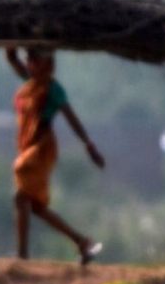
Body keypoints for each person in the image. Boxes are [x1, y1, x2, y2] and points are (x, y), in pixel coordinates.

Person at [6, 47, 105, 265]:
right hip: (29, 147)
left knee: (20, 193)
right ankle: (82, 242)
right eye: (29, 59)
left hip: (42, 149)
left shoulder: (53, 89)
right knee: (36, 208)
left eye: (34, 59)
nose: (30, 63)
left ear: (46, 63)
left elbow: (72, 119)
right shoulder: (31, 83)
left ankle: (22, 257)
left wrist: (89, 145)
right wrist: (11, 47)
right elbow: (14, 61)